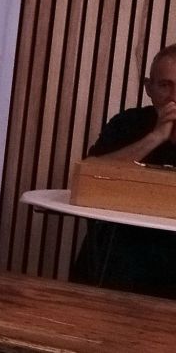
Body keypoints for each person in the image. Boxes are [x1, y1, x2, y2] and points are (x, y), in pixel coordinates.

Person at [71, 45, 176, 298]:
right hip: (121, 253)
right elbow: (89, 176)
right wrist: (155, 137)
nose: (174, 97)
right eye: (165, 85)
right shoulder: (128, 123)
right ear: (148, 88)